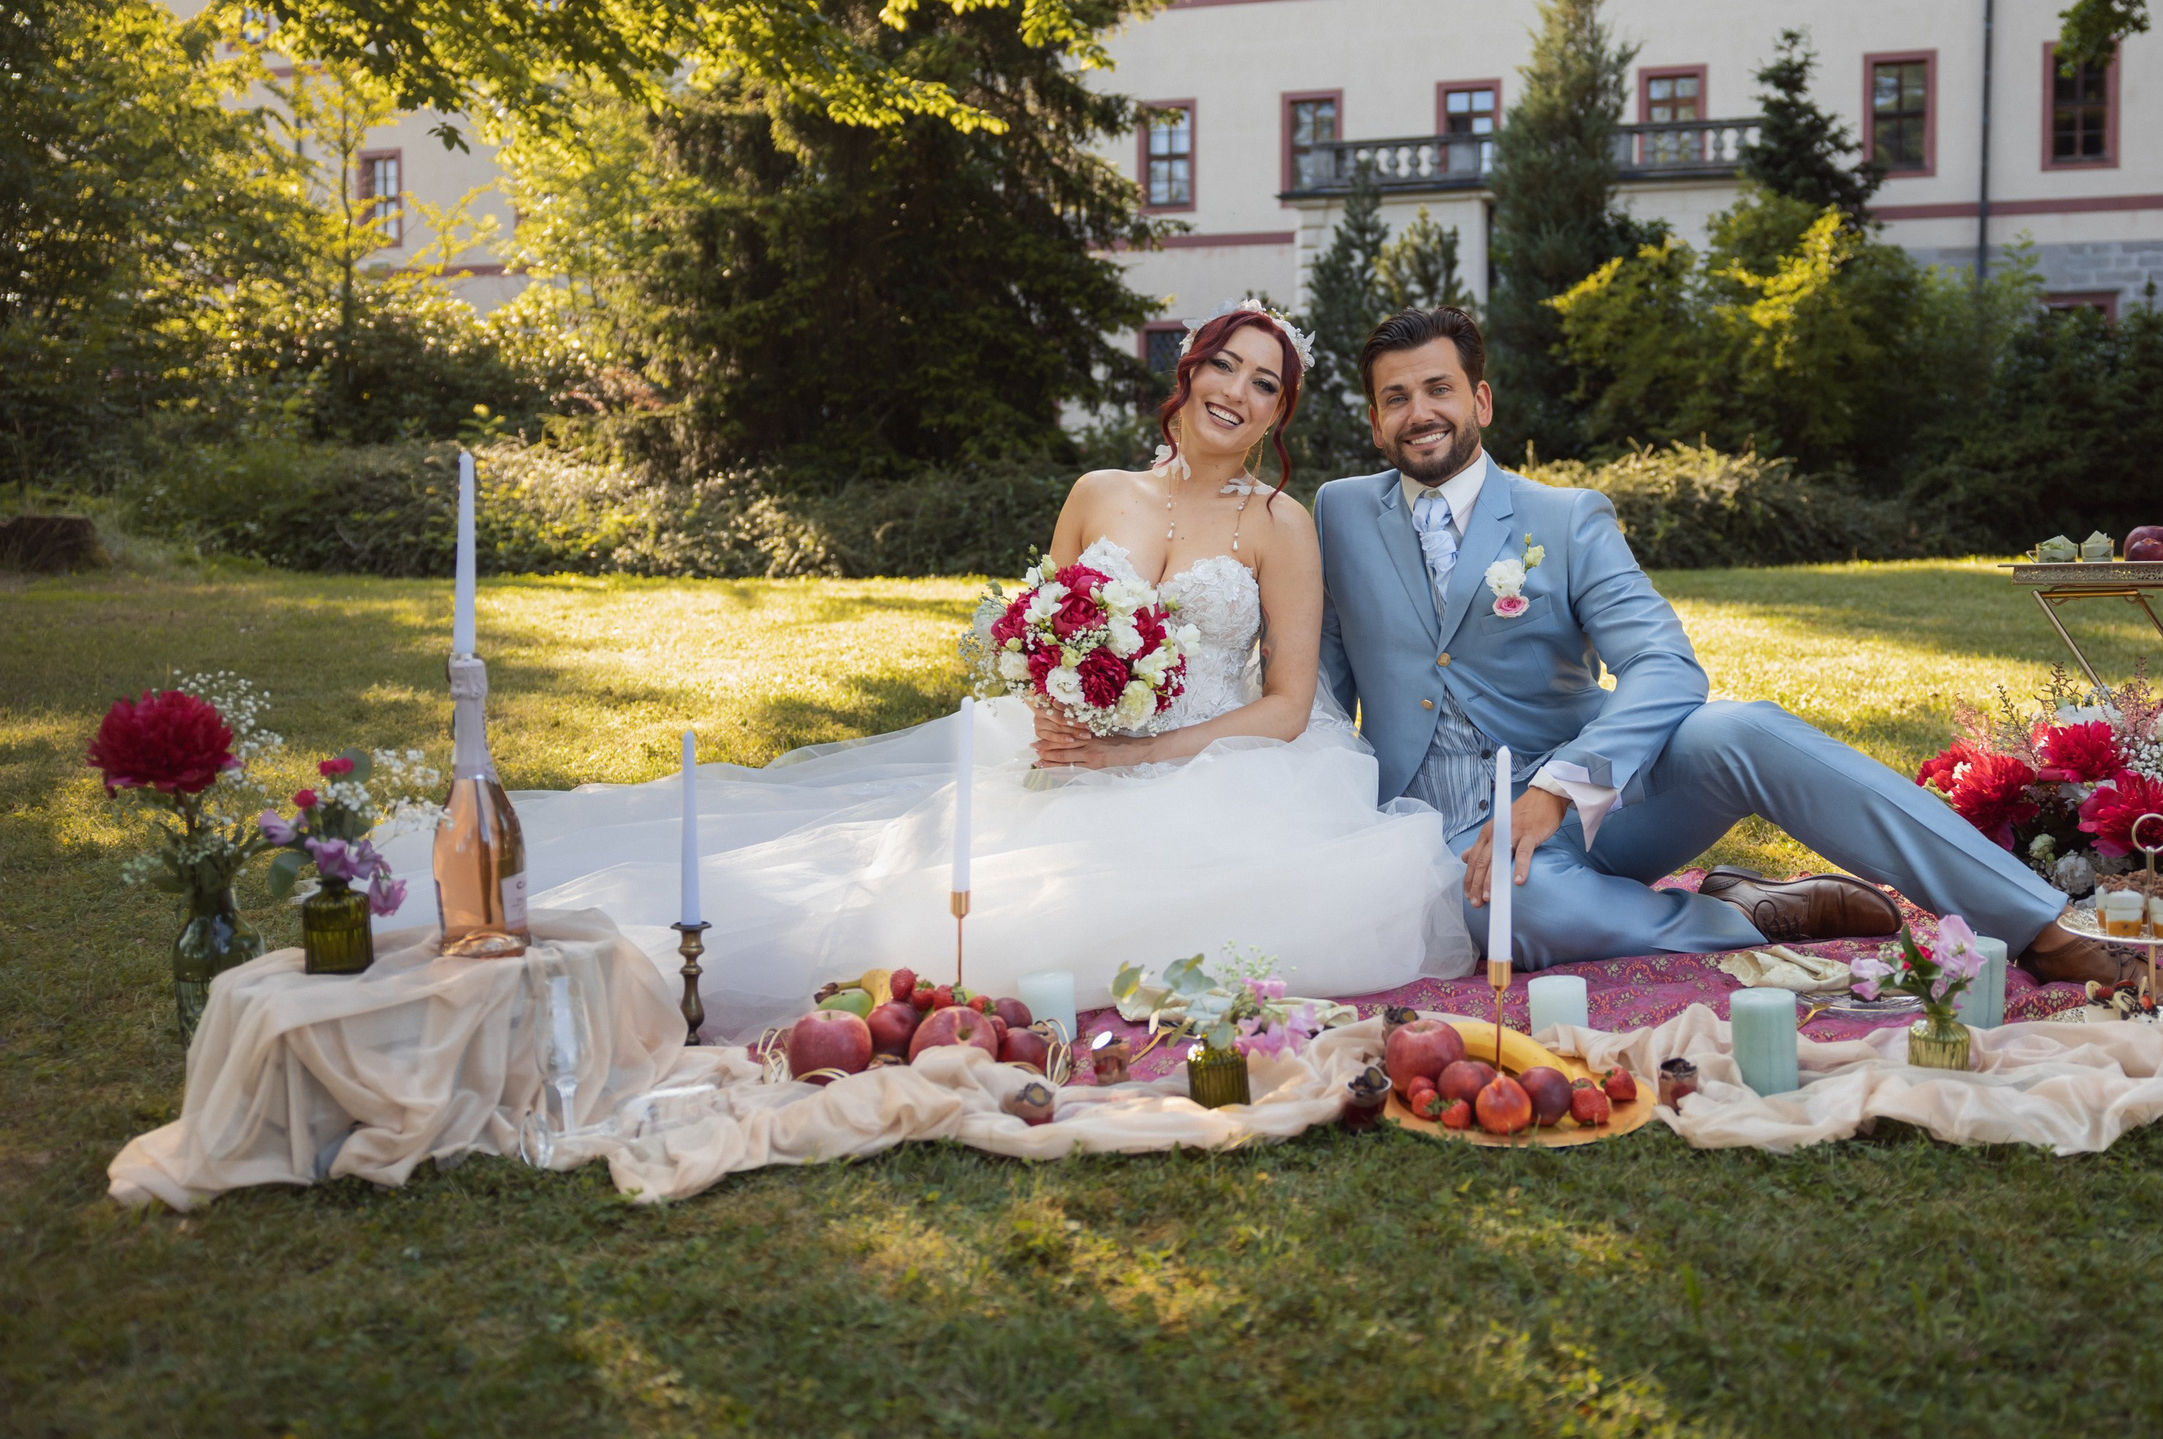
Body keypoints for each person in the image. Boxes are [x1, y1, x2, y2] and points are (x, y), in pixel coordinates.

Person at [389, 301, 1474, 1036]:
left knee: (1056, 925)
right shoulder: (1100, 491)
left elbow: (1287, 704)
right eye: (1221, 364)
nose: (1235, 390)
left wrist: (1141, 744)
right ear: (1187, 375)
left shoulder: (1279, 523)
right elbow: (1041, 632)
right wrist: (1058, 715)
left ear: (1282, 412)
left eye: (1265, 382)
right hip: (1067, 751)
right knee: (894, 890)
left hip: (1213, 762)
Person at [1313, 306, 2118, 986]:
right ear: (1375, 419)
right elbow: (1319, 689)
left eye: (1438, 388)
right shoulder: (1337, 514)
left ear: (1481, 401)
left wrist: (1559, 787)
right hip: (1432, 833)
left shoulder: (1562, 517)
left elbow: (1665, 665)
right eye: (1396, 397)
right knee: (1508, 913)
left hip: (1589, 806)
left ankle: (2038, 924)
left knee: (1743, 729)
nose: (1419, 411)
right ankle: (1748, 914)